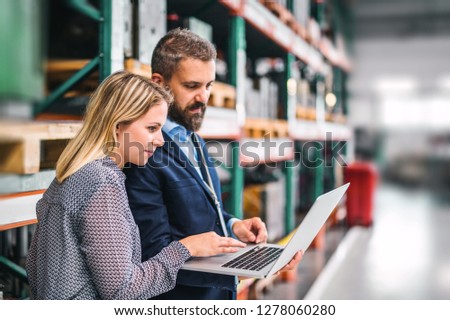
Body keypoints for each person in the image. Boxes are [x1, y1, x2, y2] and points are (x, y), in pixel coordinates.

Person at [25, 71, 246, 300]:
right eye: (152, 128)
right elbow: (123, 290)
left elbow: (34, 269)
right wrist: (185, 248)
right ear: (118, 126)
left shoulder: (69, 175)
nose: (160, 140)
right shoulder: (102, 181)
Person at [124, 28, 303, 300]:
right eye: (192, 86)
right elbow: (152, 255)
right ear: (159, 83)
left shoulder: (192, 138)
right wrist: (239, 270)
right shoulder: (144, 153)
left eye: (209, 86)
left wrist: (233, 225)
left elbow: (201, 211)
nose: (204, 98)